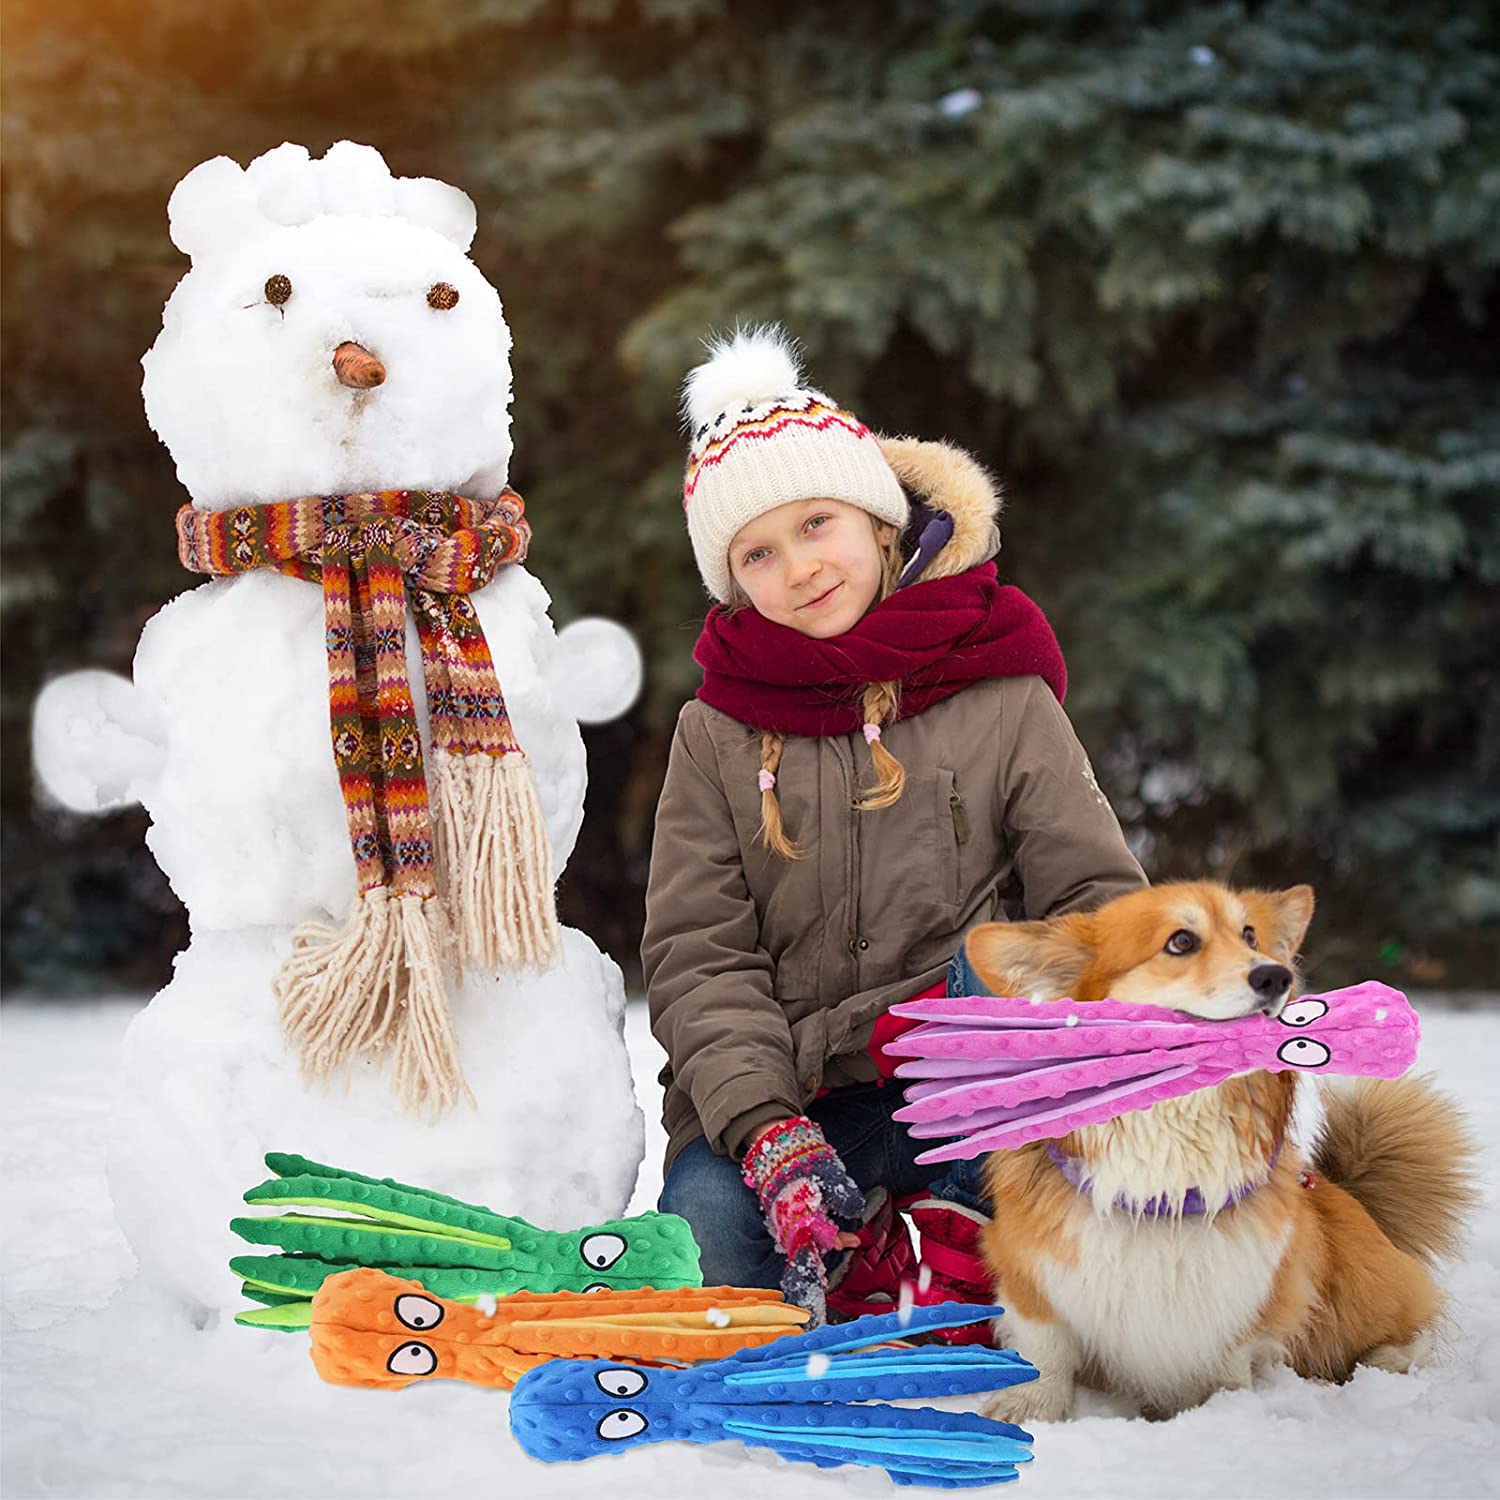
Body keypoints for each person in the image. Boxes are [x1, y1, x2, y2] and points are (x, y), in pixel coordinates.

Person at [641, 325, 1145, 1325]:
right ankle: (856, 1241)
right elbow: (699, 954)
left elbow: (1097, 902)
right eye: (758, 553)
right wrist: (763, 1125)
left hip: (963, 1090)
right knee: (707, 1264)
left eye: (817, 522)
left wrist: (1146, 1057)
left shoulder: (1000, 692)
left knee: (1009, 967)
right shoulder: (717, 731)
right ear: (735, 582)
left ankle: (949, 1235)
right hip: (786, 1098)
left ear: (879, 523)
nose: (799, 566)